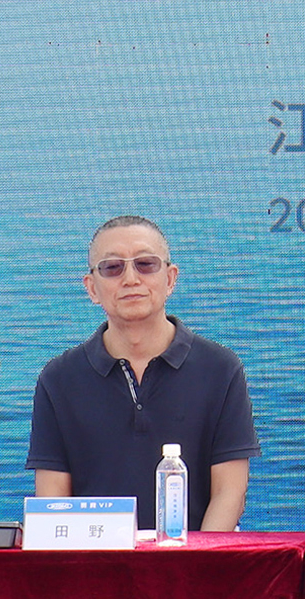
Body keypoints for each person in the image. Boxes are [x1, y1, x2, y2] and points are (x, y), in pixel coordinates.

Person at [28, 215, 257, 533]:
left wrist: (196, 559)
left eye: (146, 264)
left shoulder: (221, 369)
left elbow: (229, 493)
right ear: (92, 288)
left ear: (171, 279)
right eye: (112, 267)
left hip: (192, 559)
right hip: (93, 559)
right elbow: (52, 499)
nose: (131, 279)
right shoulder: (59, 379)